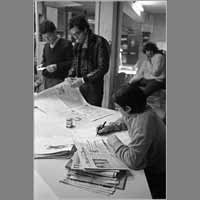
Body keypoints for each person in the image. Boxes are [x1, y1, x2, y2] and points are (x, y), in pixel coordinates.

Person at [97, 84, 166, 199]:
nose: (117, 111)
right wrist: (111, 127)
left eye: (118, 108)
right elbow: (127, 119)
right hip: (150, 160)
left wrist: (114, 142)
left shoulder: (144, 123)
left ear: (127, 108)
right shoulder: (140, 108)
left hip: (157, 171)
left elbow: (133, 161)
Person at [66, 15, 110, 106]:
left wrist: (84, 79)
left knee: (92, 114)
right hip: (79, 87)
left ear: (85, 30)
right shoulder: (77, 45)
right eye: (73, 35)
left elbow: (103, 68)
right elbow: (74, 64)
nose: (75, 37)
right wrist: (70, 75)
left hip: (93, 89)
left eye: (77, 34)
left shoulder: (99, 42)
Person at [39, 20, 73, 89]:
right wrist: (42, 66)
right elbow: (44, 61)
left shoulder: (66, 44)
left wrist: (57, 66)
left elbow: (71, 62)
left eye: (49, 36)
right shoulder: (46, 46)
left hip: (60, 80)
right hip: (47, 80)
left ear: (55, 32)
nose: (47, 39)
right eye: (45, 37)